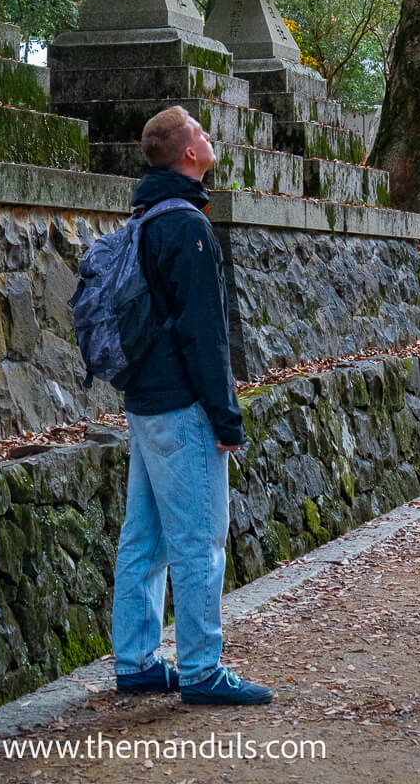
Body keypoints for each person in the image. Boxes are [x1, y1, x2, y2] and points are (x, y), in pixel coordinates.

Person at [110, 104, 274, 706]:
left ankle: (136, 660)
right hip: (182, 407)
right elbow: (204, 333)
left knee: (145, 539)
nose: (210, 138)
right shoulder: (188, 227)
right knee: (200, 539)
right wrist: (226, 417)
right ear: (188, 154)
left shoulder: (147, 216)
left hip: (146, 402)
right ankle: (202, 670)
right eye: (202, 133)